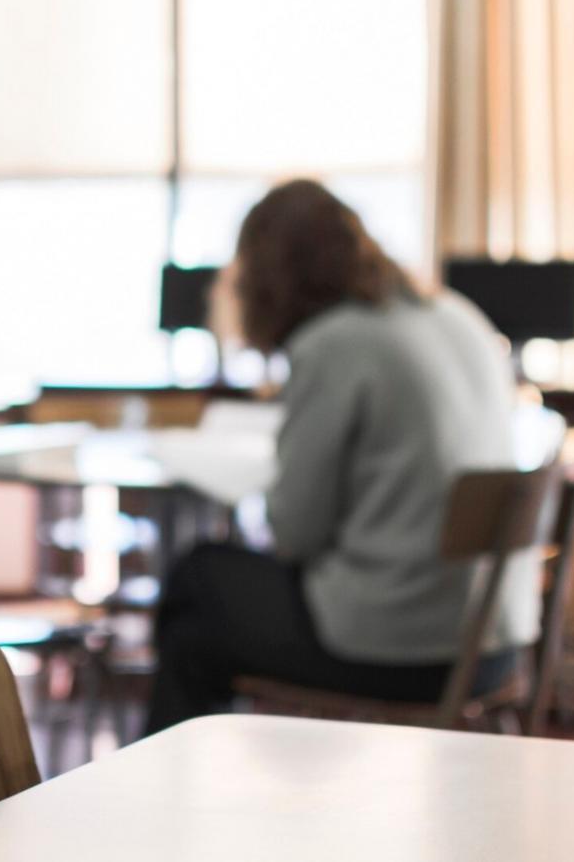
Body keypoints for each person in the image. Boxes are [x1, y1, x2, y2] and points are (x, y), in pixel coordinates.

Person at [144, 179, 532, 734]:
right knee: (202, 612)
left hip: (405, 648)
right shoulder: (457, 315)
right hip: (493, 642)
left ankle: (178, 776)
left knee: (198, 580)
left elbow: (294, 533)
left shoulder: (334, 343)